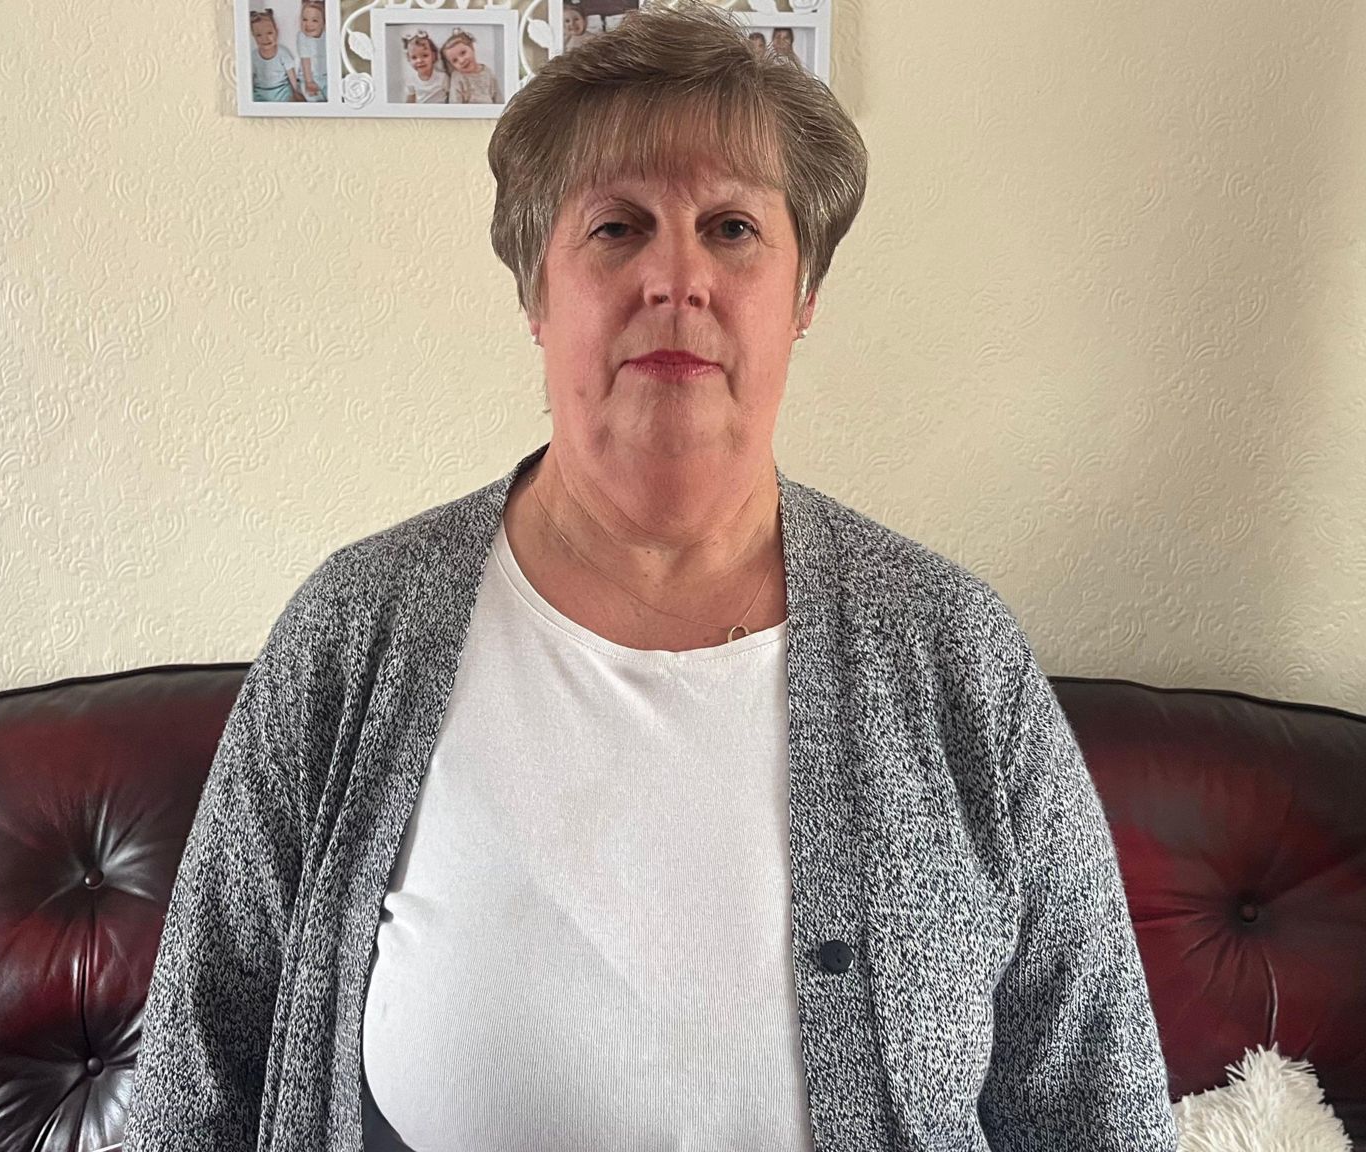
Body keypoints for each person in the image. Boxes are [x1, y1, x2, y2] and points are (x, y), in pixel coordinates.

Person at [125, 4, 1177, 1152]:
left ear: (802, 297)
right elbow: (194, 1085)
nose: (675, 277)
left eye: (731, 229)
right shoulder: (353, 630)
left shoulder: (955, 653)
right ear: (537, 293)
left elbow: (1094, 1102)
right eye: (617, 228)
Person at [246, 8, 300, 102]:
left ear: (276, 32)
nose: (265, 38)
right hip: (260, 92)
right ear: (253, 36)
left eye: (269, 33)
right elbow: (251, 77)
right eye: (259, 35)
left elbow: (291, 74)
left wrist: (296, 92)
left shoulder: (283, 53)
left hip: (282, 90)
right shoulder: (253, 56)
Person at [441, 27, 502, 104]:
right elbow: (455, 102)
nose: (461, 61)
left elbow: (498, 97)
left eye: (463, 53)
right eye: (455, 60)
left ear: (472, 47)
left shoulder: (488, 72)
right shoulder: (457, 77)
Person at [292, 0, 328, 102]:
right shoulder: (302, 37)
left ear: (324, 22)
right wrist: (309, 82)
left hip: (326, 77)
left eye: (314, 20)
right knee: (314, 99)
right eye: (304, 19)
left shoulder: (327, 36)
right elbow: (305, 60)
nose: (308, 24)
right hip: (308, 77)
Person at [402, 29, 450, 104]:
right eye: (414, 57)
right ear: (409, 59)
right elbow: (410, 100)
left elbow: (451, 97)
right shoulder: (411, 79)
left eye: (425, 55)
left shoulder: (443, 77)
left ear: (433, 56)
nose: (419, 61)